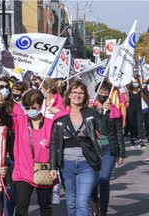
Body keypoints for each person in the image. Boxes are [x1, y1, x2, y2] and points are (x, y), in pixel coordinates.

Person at [50, 81, 110, 216]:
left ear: (85, 96)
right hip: (66, 165)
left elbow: (104, 130)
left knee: (82, 204)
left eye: (81, 93)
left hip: (87, 164)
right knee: (71, 203)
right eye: (75, 92)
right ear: (69, 95)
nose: (77, 95)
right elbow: (54, 143)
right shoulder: (61, 115)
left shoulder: (90, 112)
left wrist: (105, 112)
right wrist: (53, 166)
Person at [4, 89, 55, 216]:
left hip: (44, 170)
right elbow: (6, 119)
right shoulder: (20, 121)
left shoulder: (51, 124)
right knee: (21, 205)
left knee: (45, 206)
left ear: (41, 105)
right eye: (27, 108)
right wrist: (2, 103)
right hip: (23, 171)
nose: (30, 110)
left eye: (34, 107)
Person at [90, 81, 125, 216]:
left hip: (108, 149)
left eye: (106, 93)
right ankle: (94, 203)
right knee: (92, 181)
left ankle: (103, 211)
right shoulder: (90, 108)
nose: (103, 96)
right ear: (96, 92)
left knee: (103, 180)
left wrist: (121, 153)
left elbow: (118, 132)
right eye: (101, 93)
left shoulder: (114, 110)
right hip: (92, 150)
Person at [39, 78, 64, 205]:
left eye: (42, 88)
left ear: (47, 89)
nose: (41, 90)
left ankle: (55, 192)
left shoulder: (59, 100)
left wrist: (57, 112)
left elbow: (66, 115)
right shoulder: (41, 101)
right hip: (41, 136)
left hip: (54, 136)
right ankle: (45, 186)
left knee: (55, 164)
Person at [126, 76, 146, 147]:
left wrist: (143, 95)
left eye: (137, 82)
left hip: (139, 109)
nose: (135, 84)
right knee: (132, 124)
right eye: (134, 82)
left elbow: (145, 99)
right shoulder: (129, 91)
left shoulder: (141, 90)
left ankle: (141, 139)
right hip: (131, 109)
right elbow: (127, 101)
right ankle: (132, 138)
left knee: (140, 124)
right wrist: (127, 94)